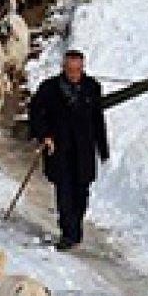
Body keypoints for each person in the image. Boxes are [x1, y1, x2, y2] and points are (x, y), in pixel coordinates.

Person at [27, 49, 109, 251]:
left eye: (78, 70)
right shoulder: (49, 88)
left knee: (81, 192)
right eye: (70, 70)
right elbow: (36, 113)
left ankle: (75, 228)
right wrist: (44, 134)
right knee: (64, 192)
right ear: (63, 68)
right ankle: (67, 233)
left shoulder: (92, 88)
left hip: (84, 149)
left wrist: (103, 147)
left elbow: (98, 119)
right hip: (59, 149)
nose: (74, 74)